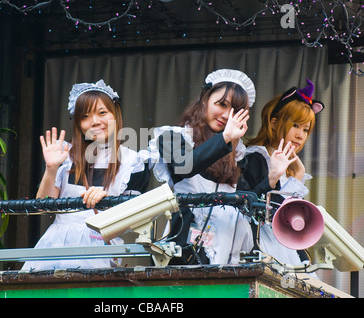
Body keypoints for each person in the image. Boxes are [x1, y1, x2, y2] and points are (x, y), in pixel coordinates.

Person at [21, 80, 150, 271]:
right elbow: (43, 207)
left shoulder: (134, 162)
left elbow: (134, 221)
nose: (95, 121)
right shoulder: (64, 155)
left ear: (116, 115)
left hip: (100, 248)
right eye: (85, 116)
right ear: (79, 124)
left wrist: (109, 203)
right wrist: (51, 168)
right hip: (55, 244)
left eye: (102, 113)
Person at [148, 69, 256, 265]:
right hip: (187, 248)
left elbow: (249, 200)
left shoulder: (237, 154)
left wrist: (272, 178)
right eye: (222, 105)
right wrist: (225, 138)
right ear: (205, 99)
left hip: (230, 249)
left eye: (234, 112)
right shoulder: (172, 136)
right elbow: (185, 166)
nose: (225, 115)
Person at [238, 78, 324, 267]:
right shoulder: (256, 158)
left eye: (306, 129)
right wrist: (297, 178)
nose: (301, 135)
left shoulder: (292, 169)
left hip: (284, 249)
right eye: (295, 125)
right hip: (261, 248)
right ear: (274, 123)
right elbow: (264, 214)